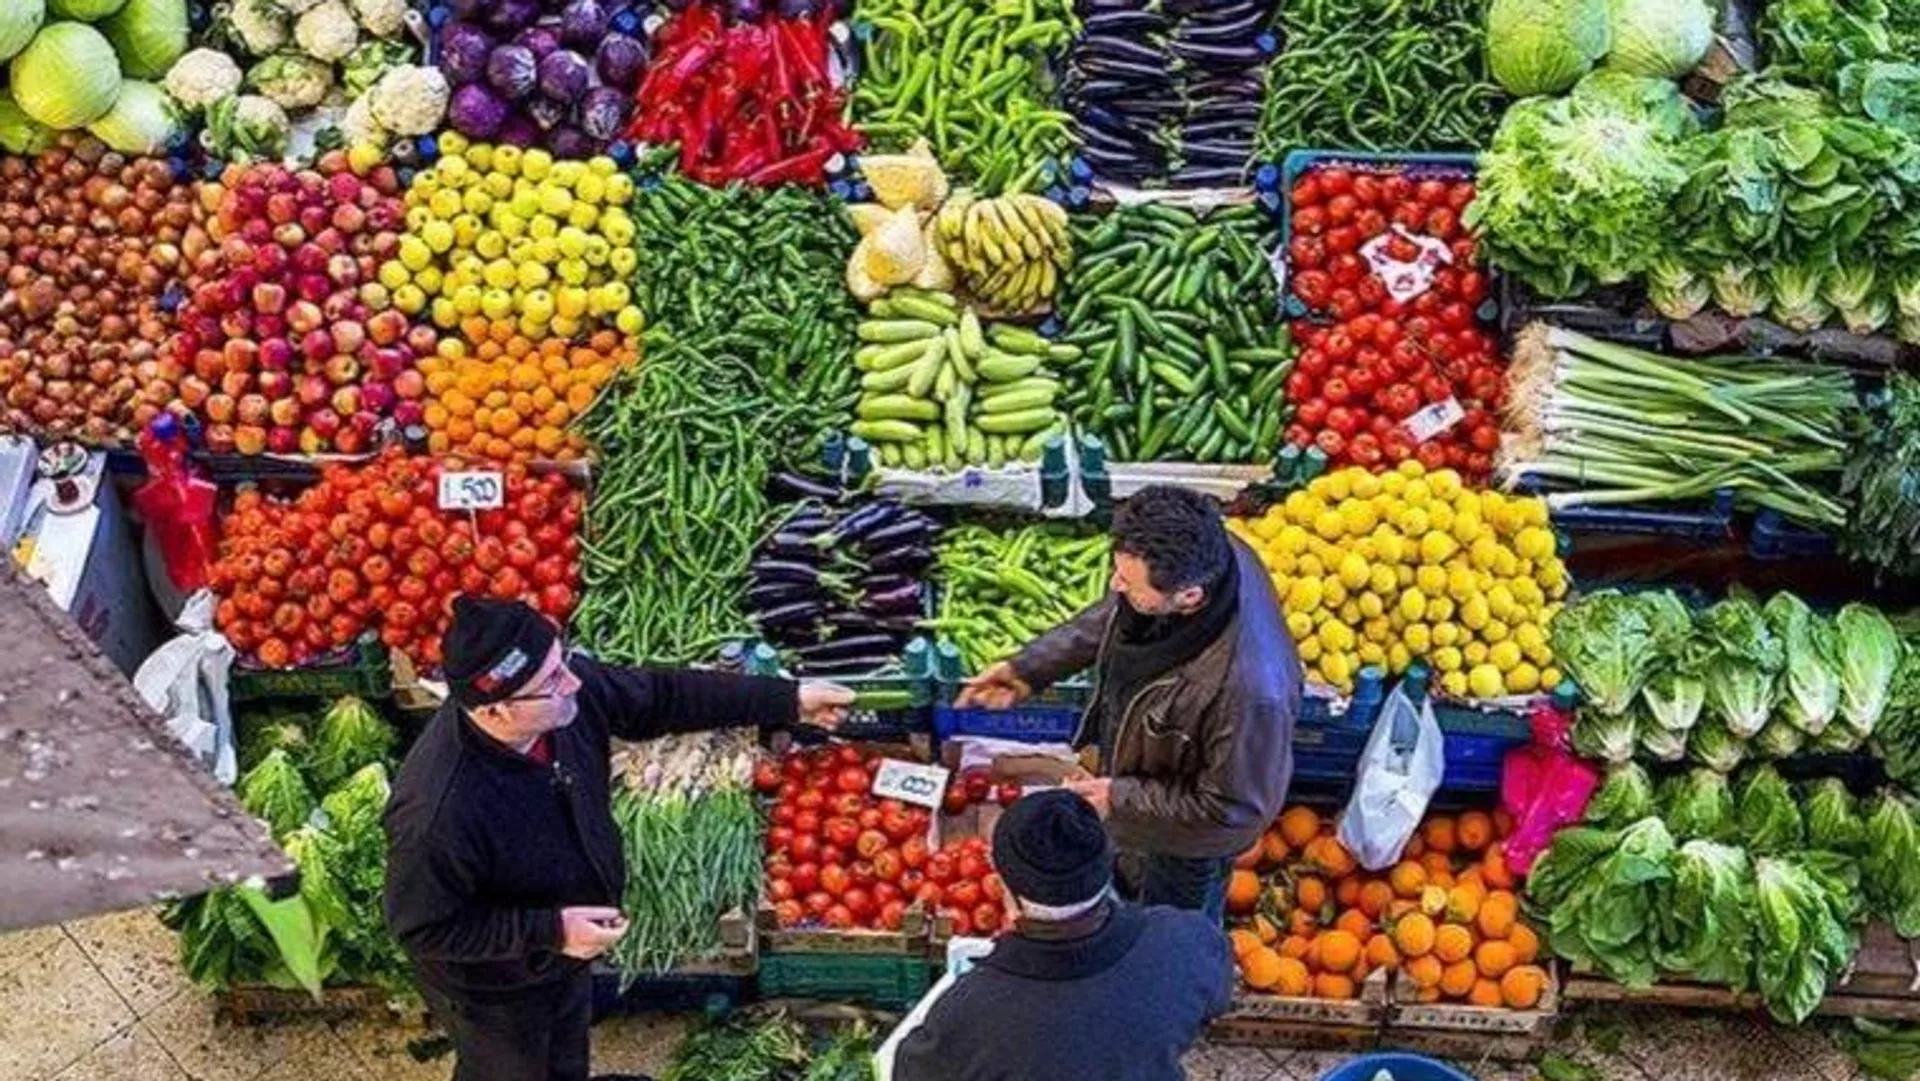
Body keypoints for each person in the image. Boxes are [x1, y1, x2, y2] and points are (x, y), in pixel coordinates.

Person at [383, 596, 855, 1081]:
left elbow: (659, 695)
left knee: (565, 1048)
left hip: (564, 950)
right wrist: (550, 931)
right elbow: (422, 929)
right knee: (513, 1067)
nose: (573, 683)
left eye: (562, 662)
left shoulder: (561, 700)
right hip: (496, 987)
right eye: (551, 682)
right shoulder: (437, 813)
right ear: (497, 711)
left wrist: (787, 699)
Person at [956, 485, 1301, 919]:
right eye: (1117, 570)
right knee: (1127, 881)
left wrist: (1119, 797)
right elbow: (1119, 613)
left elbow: (1234, 812)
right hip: (1146, 783)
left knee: (1170, 927)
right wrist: (1030, 668)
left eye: (1129, 581)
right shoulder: (1208, 552)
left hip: (1186, 845)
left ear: (1190, 597)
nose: (1115, 585)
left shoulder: (1250, 693)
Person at [876, 789, 1234, 1081]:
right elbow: (1213, 999)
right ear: (1106, 866)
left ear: (1004, 886)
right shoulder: (1186, 942)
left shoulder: (966, 1016)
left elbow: (908, 1071)